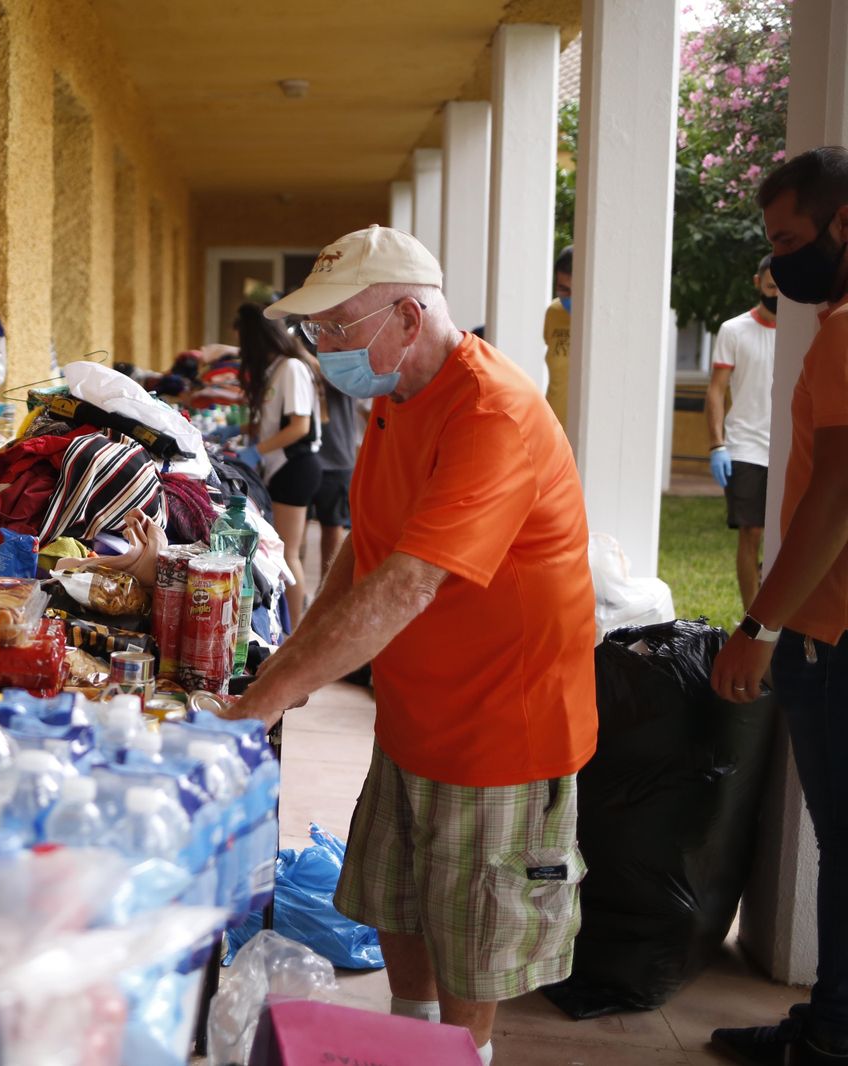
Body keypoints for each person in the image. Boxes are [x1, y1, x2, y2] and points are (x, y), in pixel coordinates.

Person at [226, 225, 596, 1066]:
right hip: (415, 710)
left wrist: (263, 703)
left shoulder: (491, 412)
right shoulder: (395, 397)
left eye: (338, 327)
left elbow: (407, 584)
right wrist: (286, 669)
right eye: (316, 329)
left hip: (501, 722)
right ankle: (408, 1036)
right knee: (398, 896)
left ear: (408, 316)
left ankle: (462, 1056)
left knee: (472, 926)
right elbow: (364, 553)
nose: (324, 348)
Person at [710, 145, 848, 1066]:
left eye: (792, 241)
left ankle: (831, 1034)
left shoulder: (845, 333)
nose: (780, 262)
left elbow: (836, 494)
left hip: (831, 631)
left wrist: (760, 626)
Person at [235, 301, 322, 628]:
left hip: (296, 466)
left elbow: (299, 427)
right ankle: (288, 626)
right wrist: (239, 431)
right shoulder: (276, 370)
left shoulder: (292, 368)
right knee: (283, 552)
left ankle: (296, 631)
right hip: (282, 467)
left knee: (287, 555)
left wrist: (256, 451)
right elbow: (274, 423)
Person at [706, 255, 780, 612]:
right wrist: (717, 445)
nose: (776, 294)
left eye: (782, 288)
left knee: (787, 536)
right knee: (752, 532)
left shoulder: (803, 331)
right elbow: (716, 391)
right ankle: (752, 618)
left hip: (788, 448)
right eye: (770, 287)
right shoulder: (734, 330)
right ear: (757, 283)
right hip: (745, 446)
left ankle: (777, 613)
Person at [293, 328, 359, 586]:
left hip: (337, 459)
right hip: (303, 456)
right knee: (296, 530)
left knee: (332, 529)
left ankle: (326, 588)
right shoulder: (299, 359)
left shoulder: (346, 359)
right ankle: (296, 590)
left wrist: (301, 354)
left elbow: (336, 379)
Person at [544, 246, 574, 435]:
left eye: (575, 291)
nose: (569, 297)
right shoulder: (553, 313)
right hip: (553, 429)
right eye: (563, 289)